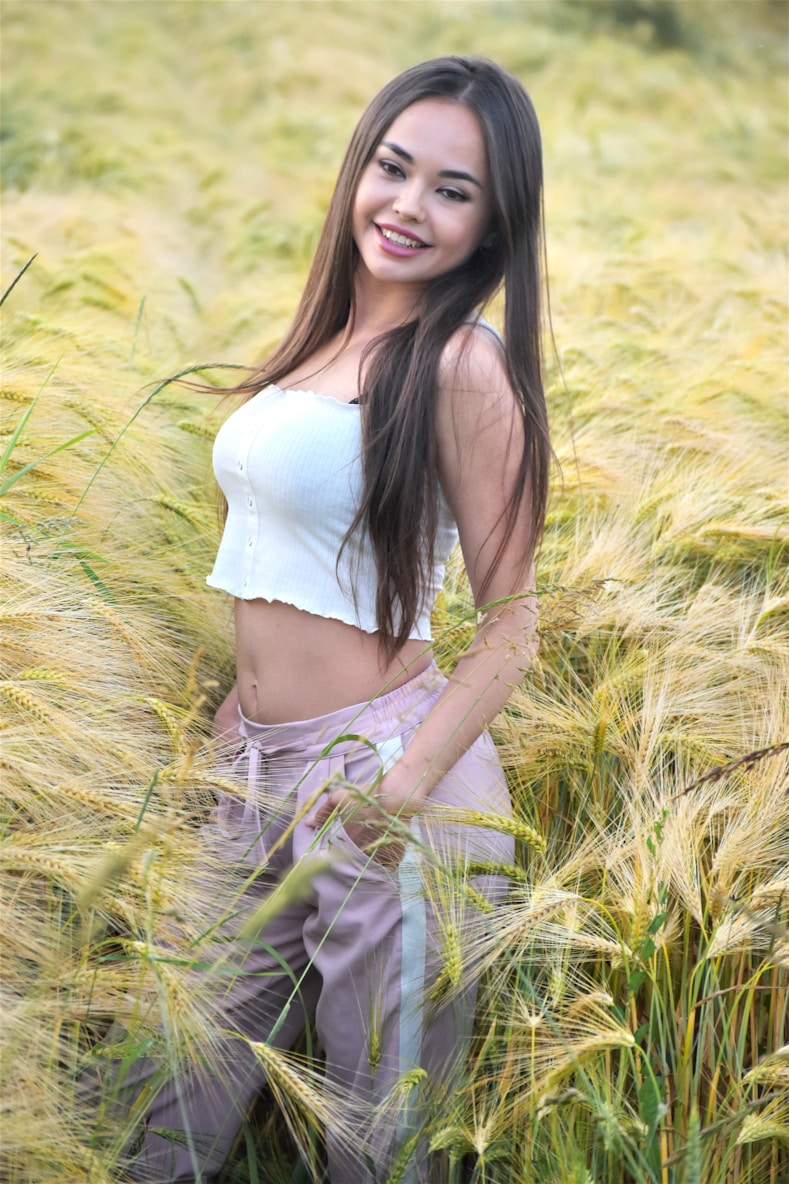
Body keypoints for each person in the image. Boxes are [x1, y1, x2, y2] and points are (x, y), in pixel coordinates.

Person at [124, 54, 550, 1184]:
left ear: (494, 222)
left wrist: (402, 787)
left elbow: (515, 628)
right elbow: (276, 567)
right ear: (358, 167)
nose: (408, 205)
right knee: (152, 1103)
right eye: (393, 167)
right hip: (251, 771)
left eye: (452, 190)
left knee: (377, 1140)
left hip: (385, 780)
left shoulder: (461, 365)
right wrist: (225, 747)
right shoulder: (315, 348)